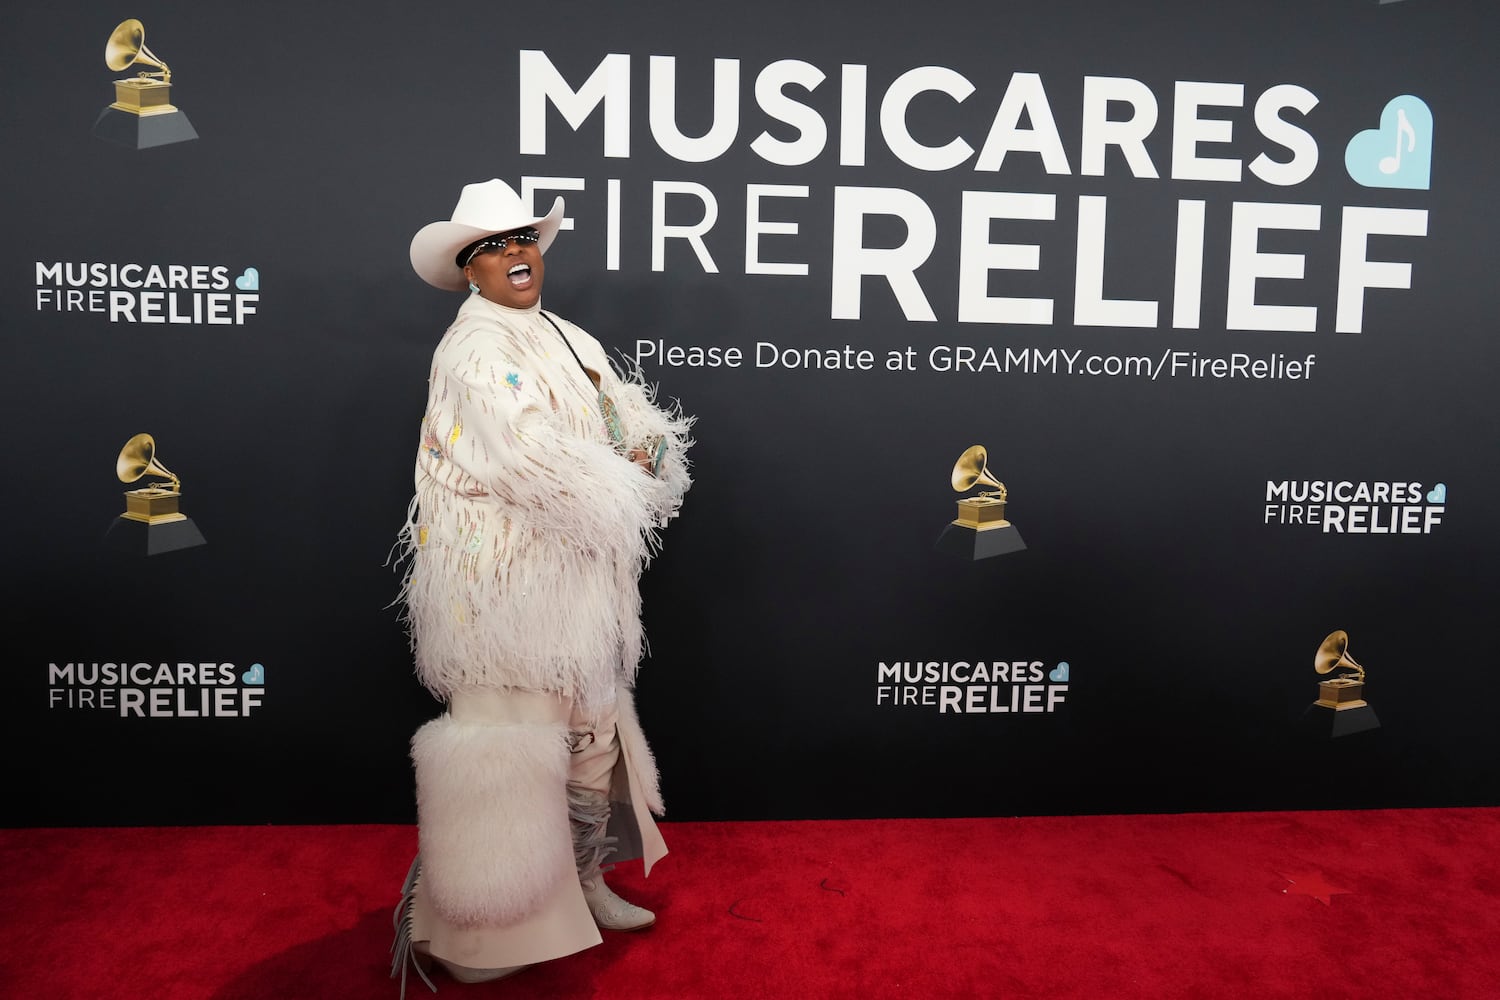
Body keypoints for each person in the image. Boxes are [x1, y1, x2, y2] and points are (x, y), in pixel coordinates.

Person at [390, 178, 693, 994]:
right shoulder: (473, 350)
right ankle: (481, 932)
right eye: (491, 246)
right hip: (504, 589)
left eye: (522, 238)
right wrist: (621, 475)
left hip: (582, 584)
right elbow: (527, 461)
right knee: (511, 749)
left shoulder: (567, 335)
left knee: (590, 737)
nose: (514, 254)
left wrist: (647, 456)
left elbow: (631, 422)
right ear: (468, 270)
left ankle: (582, 884)